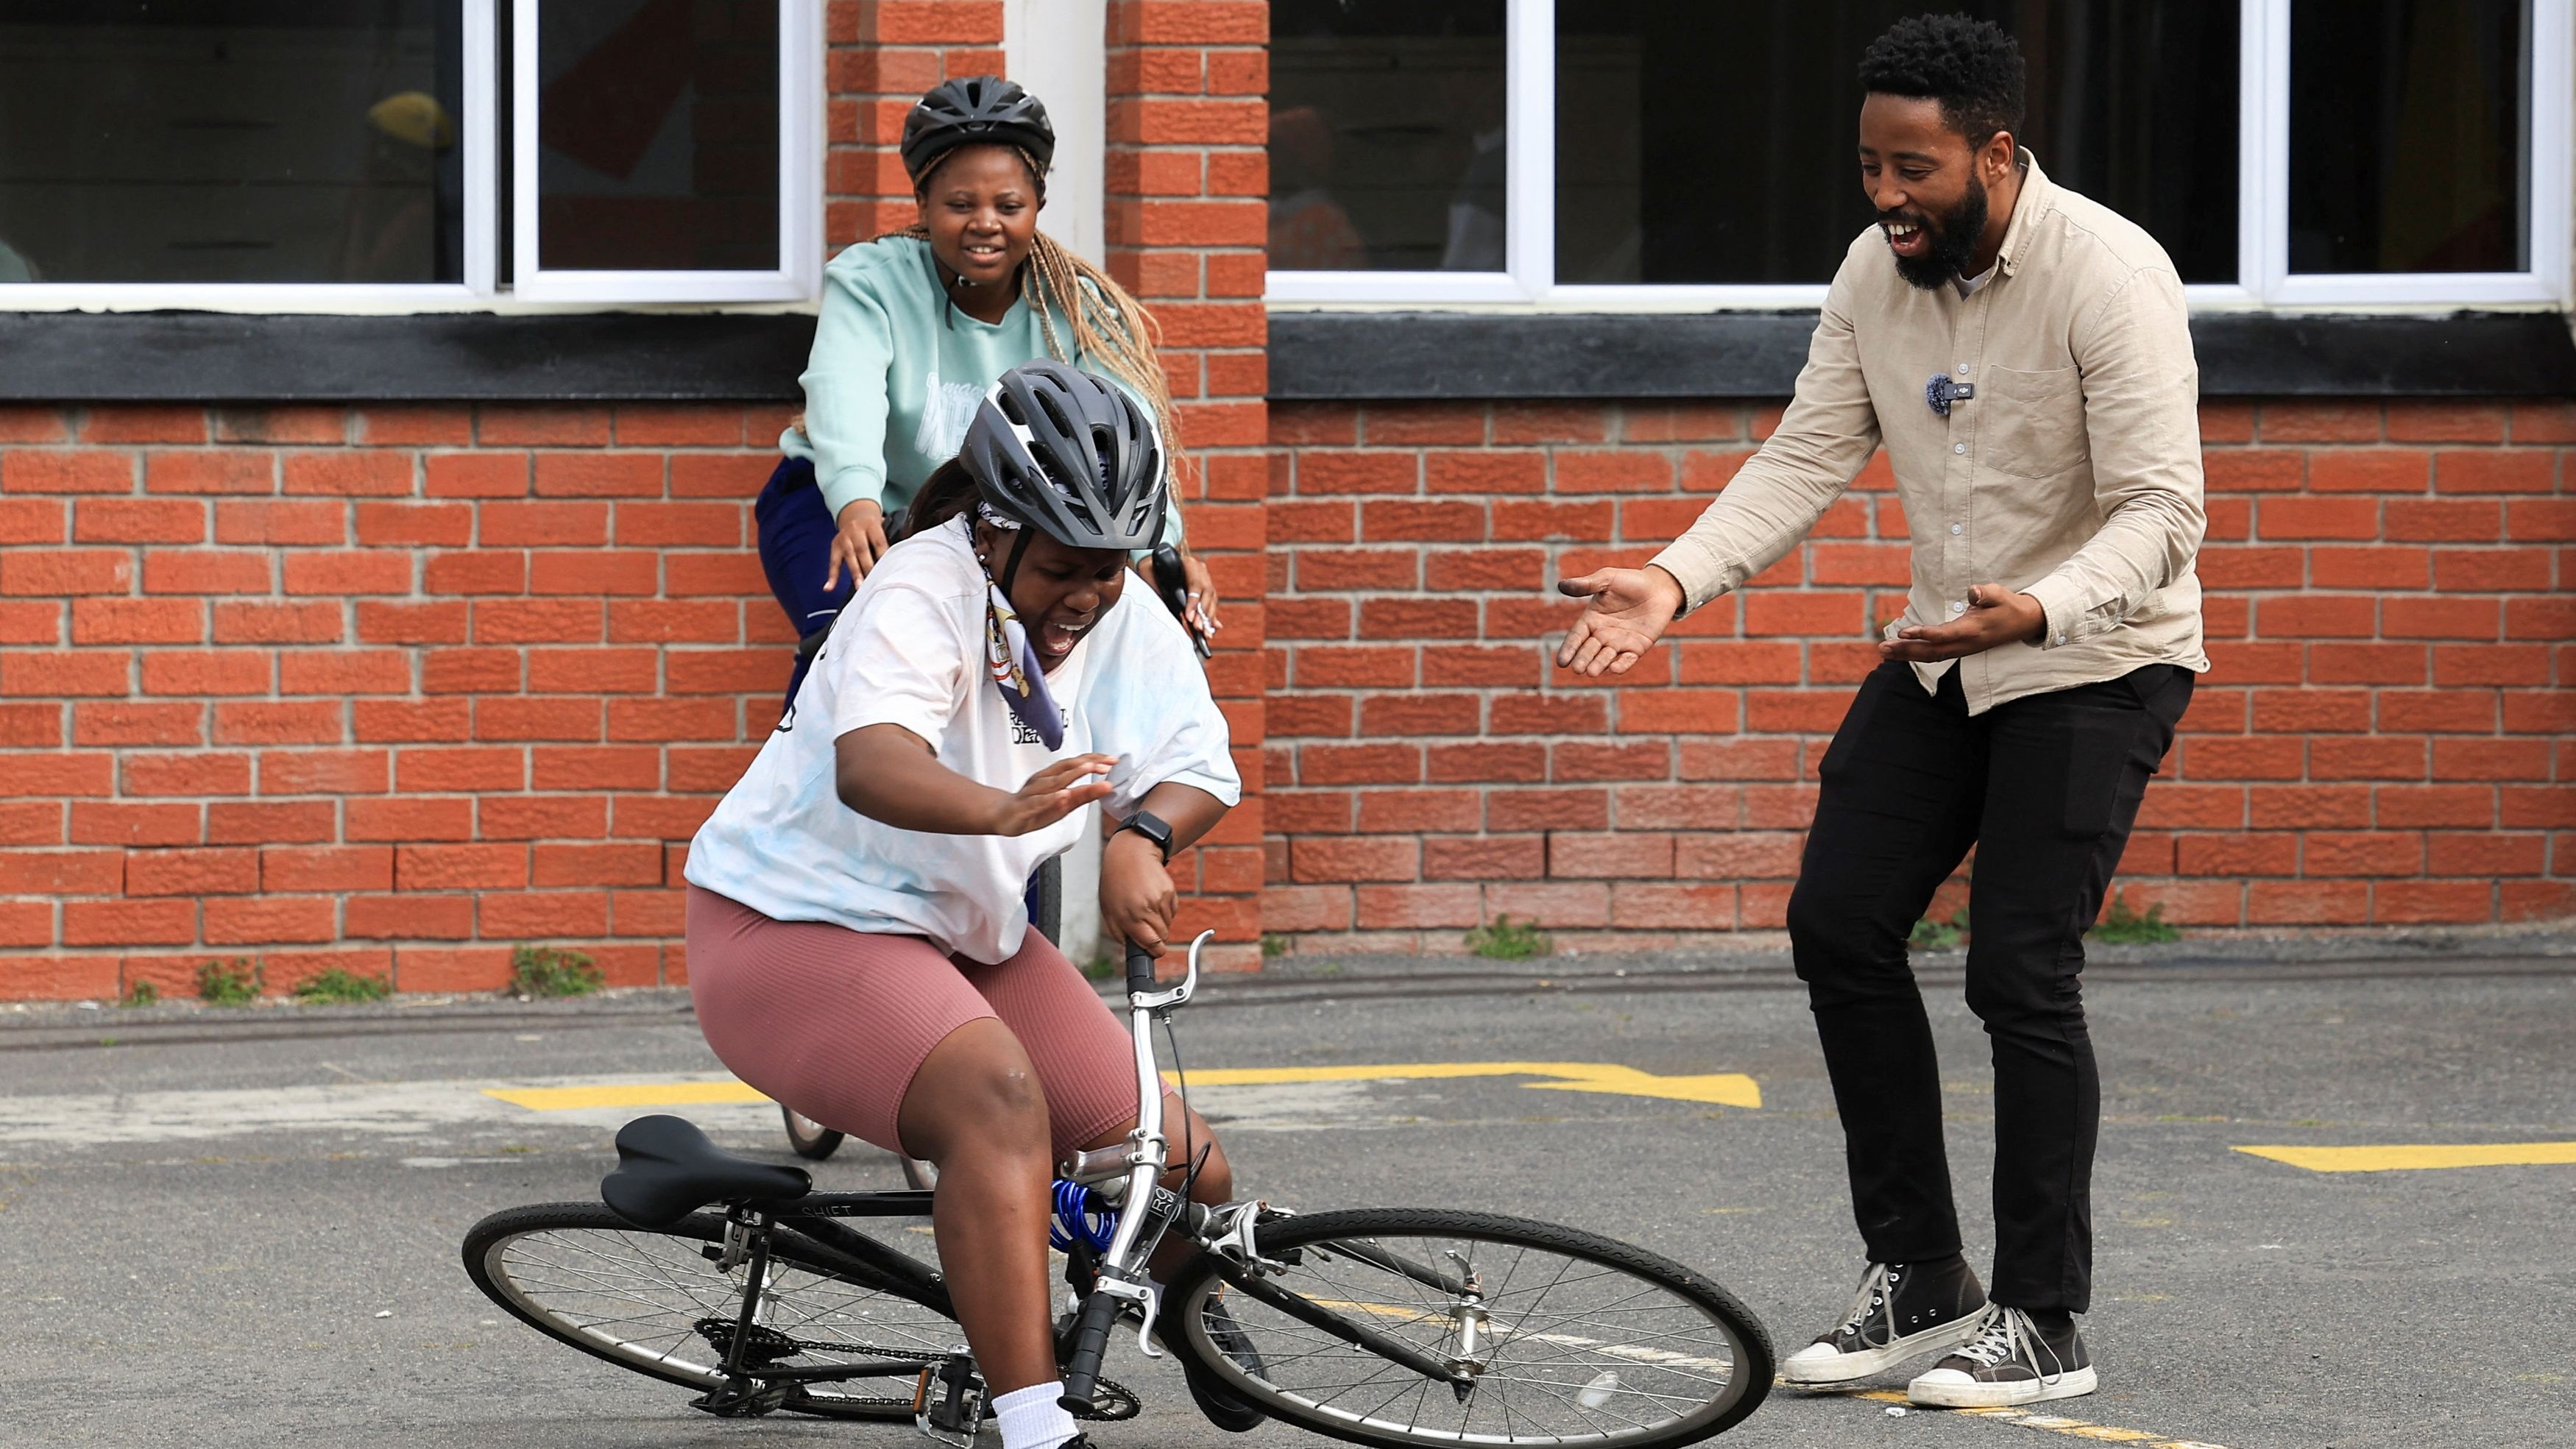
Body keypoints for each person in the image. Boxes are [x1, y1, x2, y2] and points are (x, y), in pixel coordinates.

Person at [1554, 14, 2205, 1411]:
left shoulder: (2110, 273)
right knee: (1839, 924)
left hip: (2099, 654)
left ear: (1996, 150)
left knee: (2019, 969)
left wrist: (2036, 608)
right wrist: (1675, 577)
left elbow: (2166, 511)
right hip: (1944, 653)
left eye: (1915, 169)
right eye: (1869, 167)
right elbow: (1806, 453)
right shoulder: (1872, 273)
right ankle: (1920, 1273)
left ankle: (2044, 1315)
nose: (1887, 197)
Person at [687, 363, 1254, 1449]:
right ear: (993, 530)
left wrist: (1143, 837)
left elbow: (1196, 761)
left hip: (958, 932)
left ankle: (1193, 1319)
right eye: (1060, 569)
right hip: (788, 929)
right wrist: (1003, 812)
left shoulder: (1114, 603)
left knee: (1182, 1164)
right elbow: (873, 764)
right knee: (996, 1103)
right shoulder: (919, 587)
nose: (1085, 596)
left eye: (1110, 568)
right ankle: (1035, 1426)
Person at [757, 75, 1220, 704]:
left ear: (1037, 205)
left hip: (992, 525)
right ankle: (811, 791)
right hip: (844, 505)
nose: (985, 224)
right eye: (959, 204)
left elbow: (1126, 437)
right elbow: (846, 391)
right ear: (922, 204)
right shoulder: (872, 280)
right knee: (846, 644)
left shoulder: (1077, 309)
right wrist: (856, 499)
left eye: (1008, 205)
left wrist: (1156, 551)